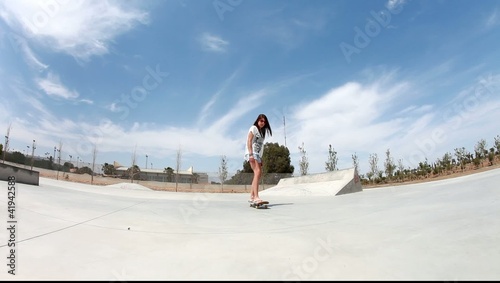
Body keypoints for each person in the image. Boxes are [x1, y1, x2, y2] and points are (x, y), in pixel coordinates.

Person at [245, 113, 272, 204]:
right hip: (252, 153)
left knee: (257, 174)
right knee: (257, 172)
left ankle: (252, 196)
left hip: (258, 155)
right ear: (257, 120)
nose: (262, 123)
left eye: (264, 121)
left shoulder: (261, 132)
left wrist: (261, 157)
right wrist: (250, 154)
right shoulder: (254, 128)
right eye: (261, 121)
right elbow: (249, 140)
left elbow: (261, 146)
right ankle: (256, 197)